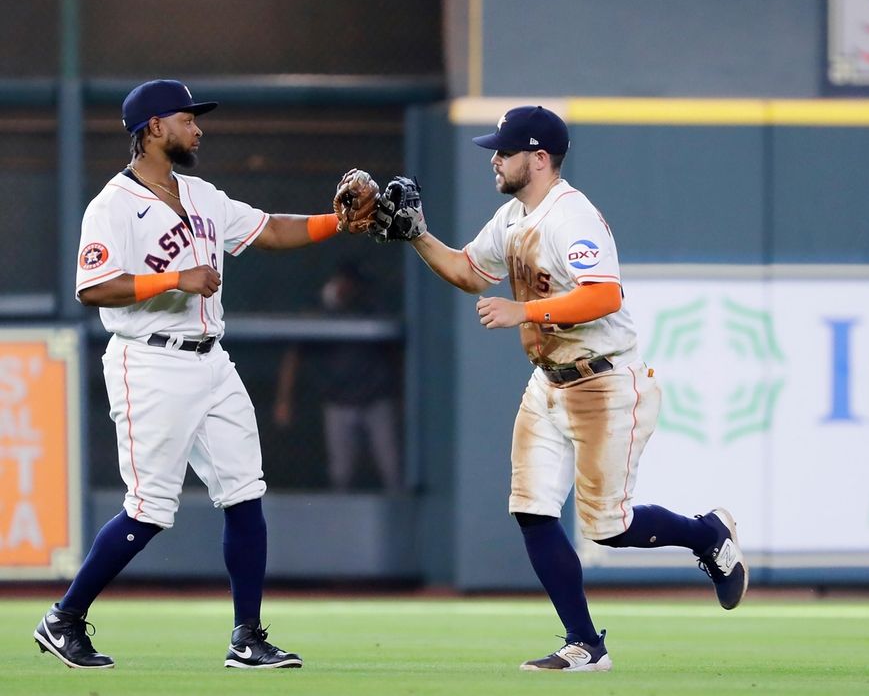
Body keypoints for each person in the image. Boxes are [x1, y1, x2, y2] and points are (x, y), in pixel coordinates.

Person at [349, 105, 747, 672]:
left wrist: (525, 310)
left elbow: (605, 295)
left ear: (539, 159)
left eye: (505, 151)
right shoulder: (512, 215)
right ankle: (584, 643)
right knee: (532, 511)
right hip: (549, 382)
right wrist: (417, 236)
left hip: (604, 380)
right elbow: (467, 270)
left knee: (609, 529)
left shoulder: (569, 217)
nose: (494, 158)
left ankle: (705, 535)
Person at [34, 79, 348, 670]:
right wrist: (172, 279)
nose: (198, 128)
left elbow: (270, 228)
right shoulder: (112, 205)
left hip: (212, 359)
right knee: (151, 507)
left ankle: (247, 637)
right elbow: (91, 286)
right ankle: (63, 618)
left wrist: (339, 221)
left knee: (245, 491)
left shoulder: (201, 194)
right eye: (186, 119)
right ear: (153, 127)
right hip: (148, 360)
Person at [273, 261, 401, 491]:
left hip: (376, 401)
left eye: (354, 284)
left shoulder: (371, 307)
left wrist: (402, 397)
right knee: (340, 475)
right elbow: (294, 356)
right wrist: (284, 401)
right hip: (338, 403)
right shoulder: (320, 311)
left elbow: (395, 355)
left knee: (393, 471)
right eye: (345, 283)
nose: (349, 288)